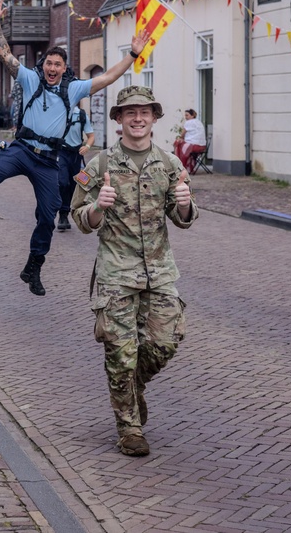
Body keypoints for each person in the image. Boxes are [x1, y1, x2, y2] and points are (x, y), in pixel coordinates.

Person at [0, 0, 147, 296]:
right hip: (22, 150)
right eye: (49, 63)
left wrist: (132, 53)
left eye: (58, 64)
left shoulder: (74, 89)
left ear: (65, 68)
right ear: (43, 65)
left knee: (48, 214)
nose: (52, 67)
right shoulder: (29, 79)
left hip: (49, 160)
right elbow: (3, 53)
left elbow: (110, 76)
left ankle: (33, 267)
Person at [71, 85, 198, 457]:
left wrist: (187, 205)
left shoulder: (170, 164)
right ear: (119, 120)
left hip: (160, 272)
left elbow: (183, 219)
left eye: (144, 112)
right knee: (120, 352)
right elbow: (78, 218)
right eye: (130, 113)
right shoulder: (100, 165)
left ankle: (131, 388)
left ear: (154, 117)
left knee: (165, 341)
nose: (138, 118)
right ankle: (129, 427)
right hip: (115, 274)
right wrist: (98, 206)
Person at [55, 98, 94, 232]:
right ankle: (62, 214)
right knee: (62, 182)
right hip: (62, 152)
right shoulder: (58, 114)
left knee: (74, 185)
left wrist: (87, 146)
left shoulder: (82, 115)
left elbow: (91, 136)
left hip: (76, 154)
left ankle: (68, 213)